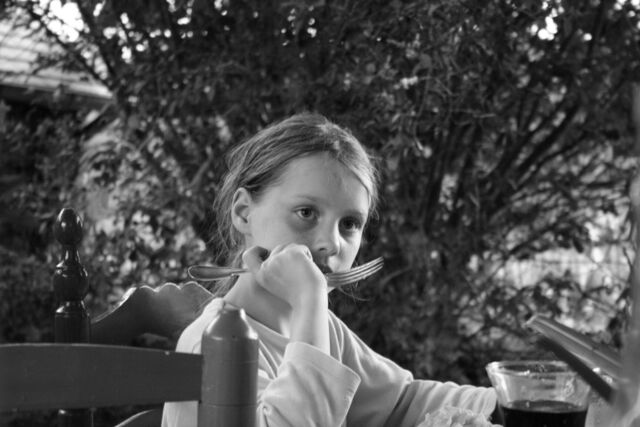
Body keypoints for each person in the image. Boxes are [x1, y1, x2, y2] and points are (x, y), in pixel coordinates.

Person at [161, 112, 498, 426]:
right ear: (244, 213)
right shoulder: (212, 342)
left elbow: (402, 401)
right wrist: (309, 299)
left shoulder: (325, 330)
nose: (332, 244)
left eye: (349, 223)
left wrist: (511, 401)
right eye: (306, 213)